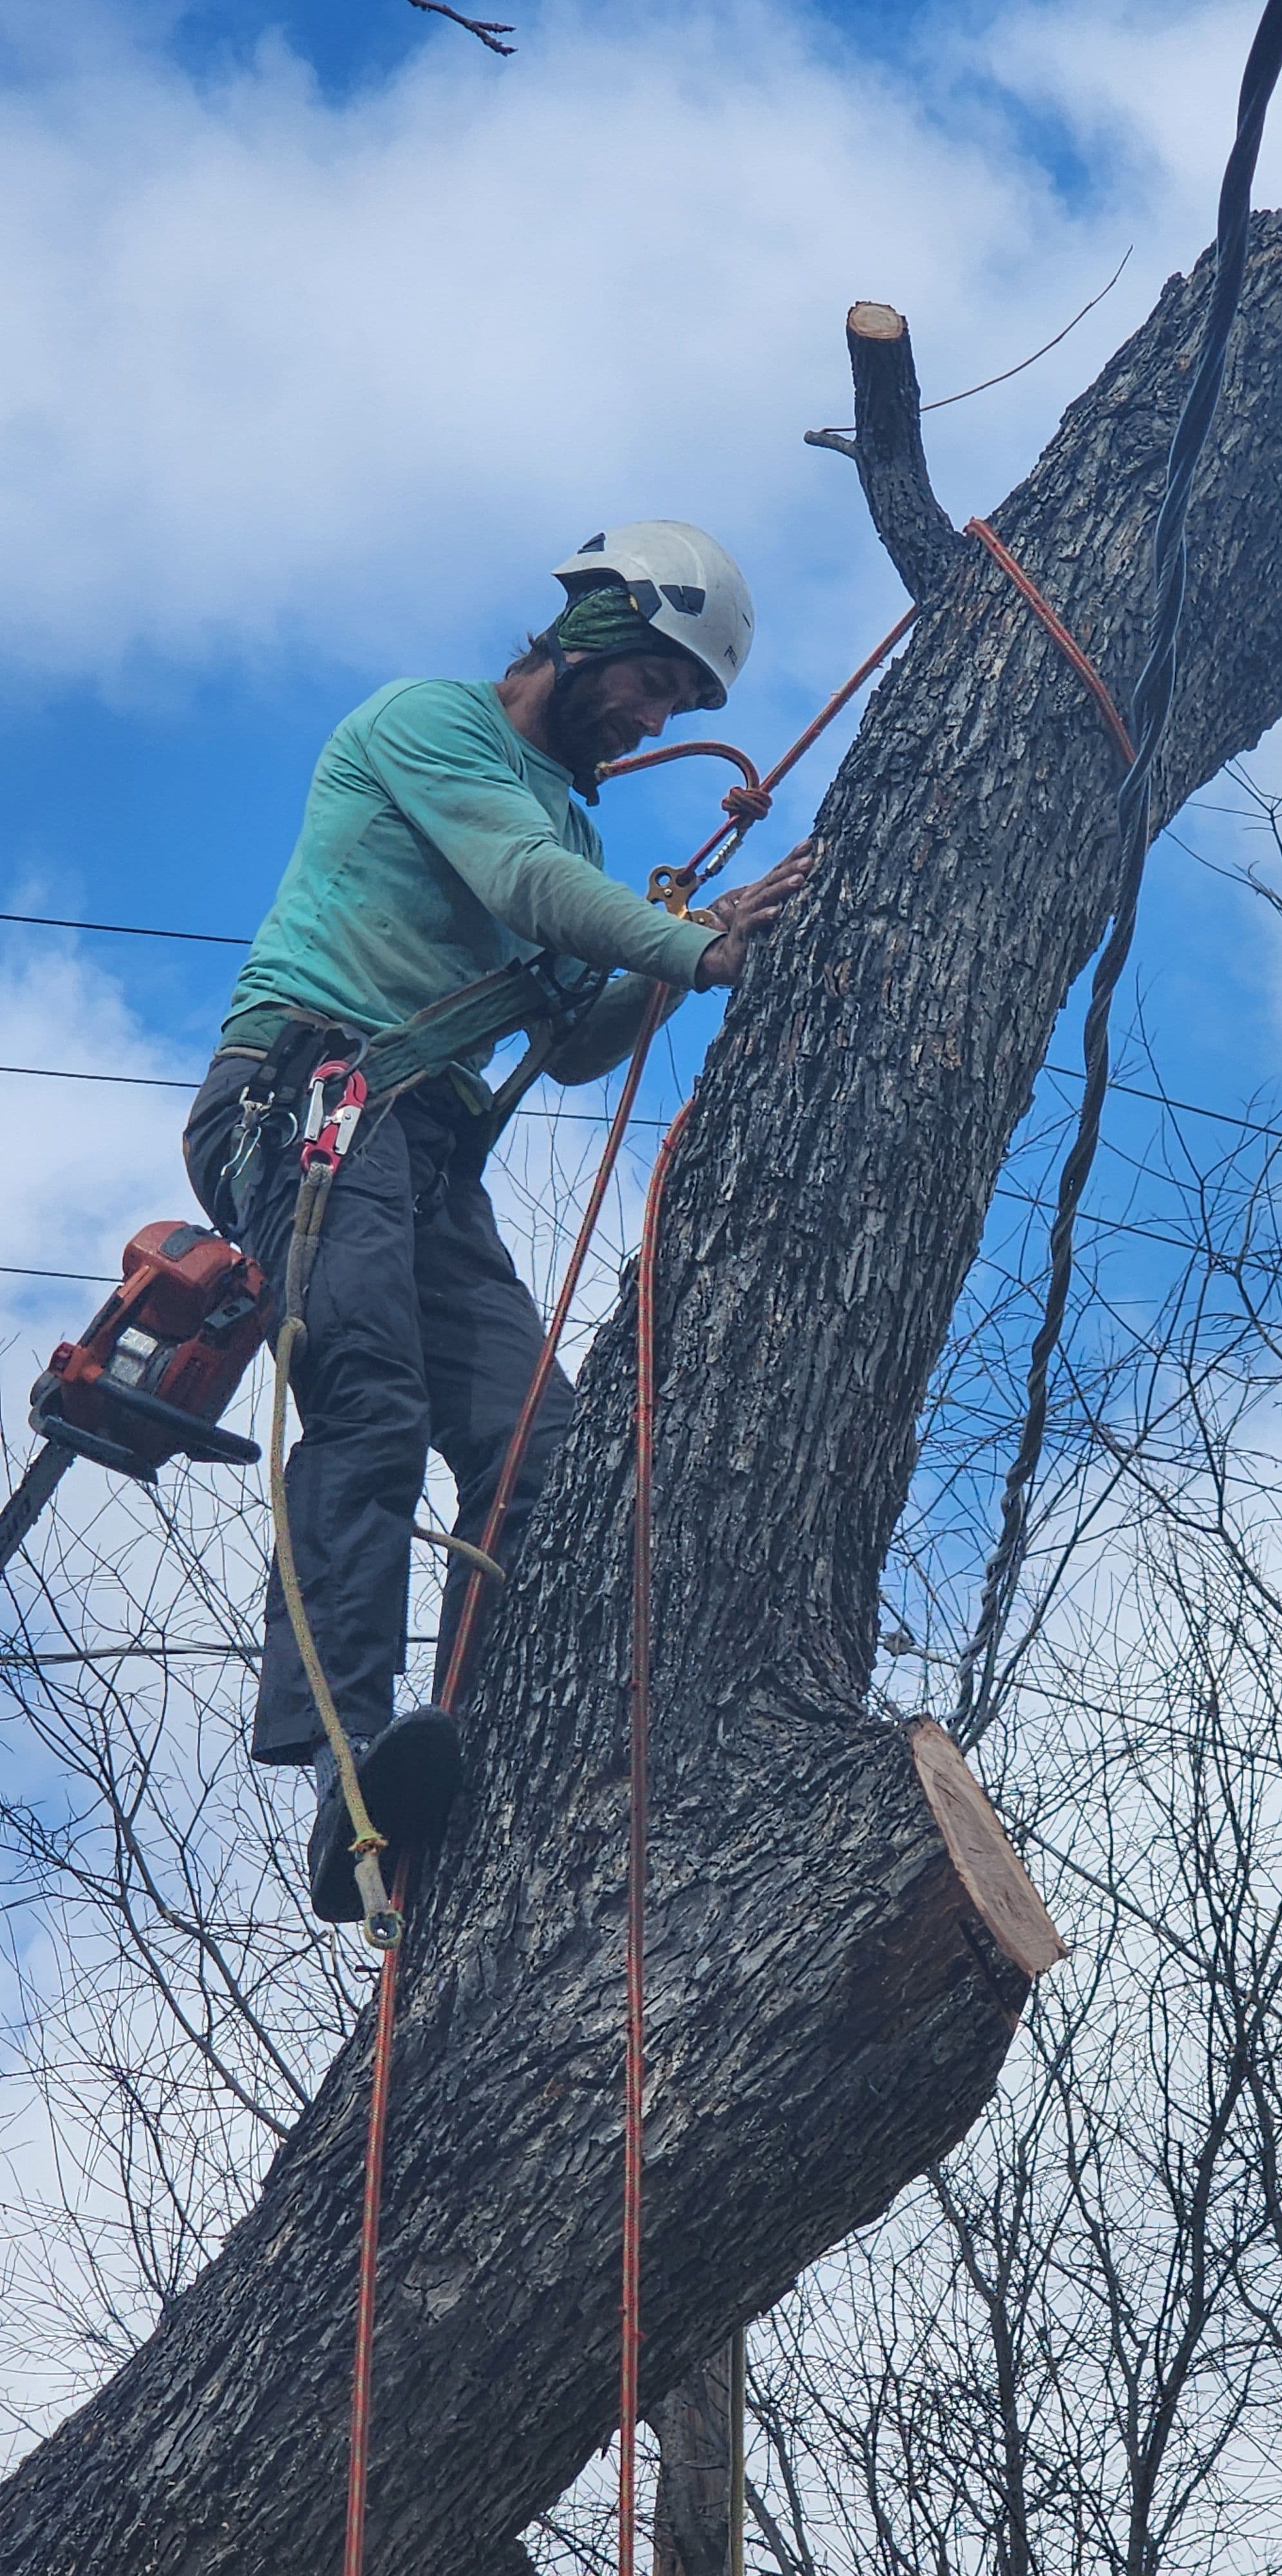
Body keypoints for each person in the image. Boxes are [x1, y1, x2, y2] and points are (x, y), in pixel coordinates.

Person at [182, 520, 810, 1923]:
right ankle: (345, 1764)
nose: (655, 714)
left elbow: (574, 1033)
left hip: (431, 1152)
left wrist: (689, 963)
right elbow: (530, 888)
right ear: (593, 625)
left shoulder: (568, 828)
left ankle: (442, 1761)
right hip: (315, 1092)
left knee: (545, 1453)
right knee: (375, 1392)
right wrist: (695, 943)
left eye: (681, 707)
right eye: (652, 678)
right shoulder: (430, 728)